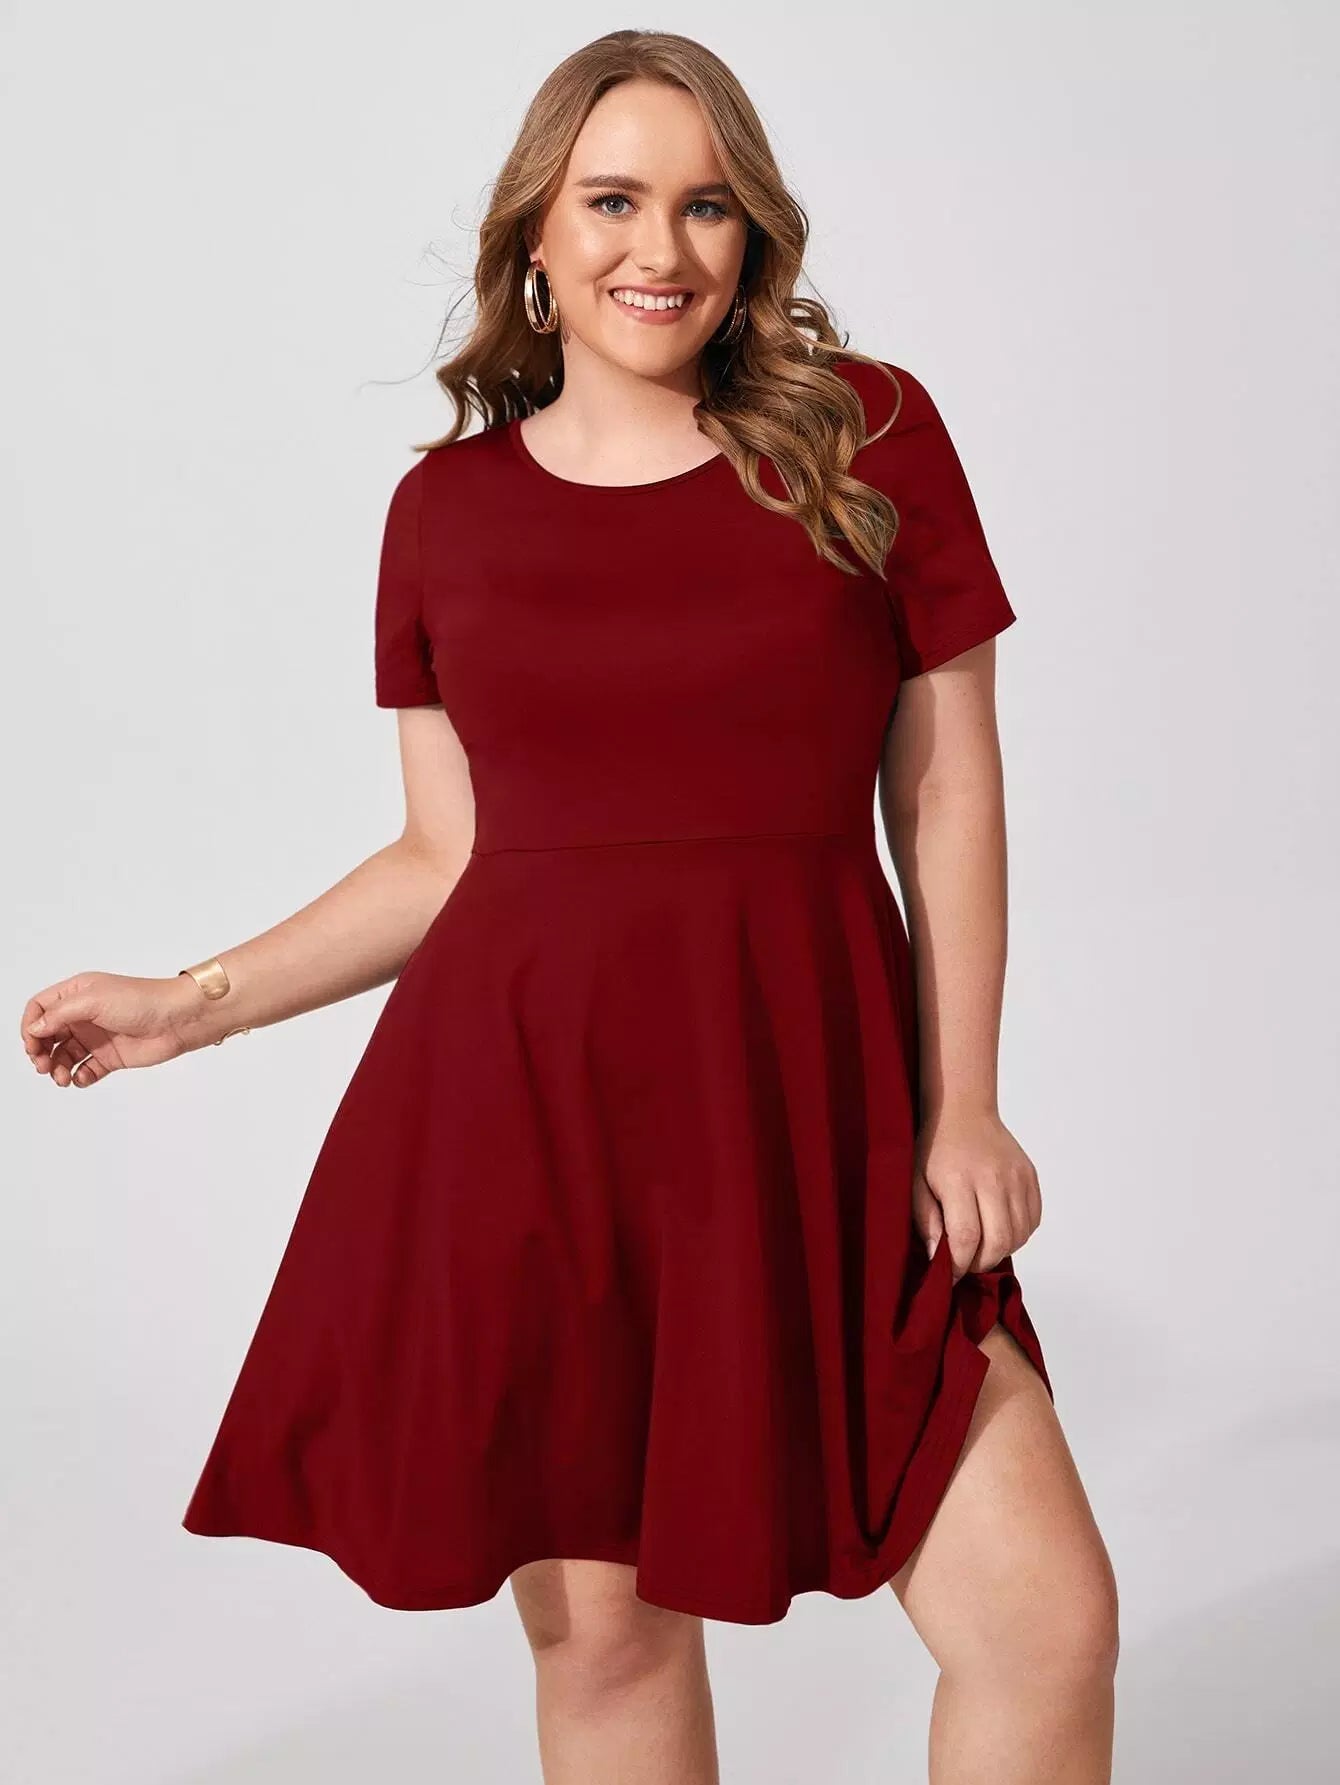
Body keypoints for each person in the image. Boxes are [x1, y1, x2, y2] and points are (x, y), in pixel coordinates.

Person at [19, 28, 1118, 1785]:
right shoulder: (443, 513)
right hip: (535, 1136)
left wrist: (963, 1101)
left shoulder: (869, 439)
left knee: (1043, 1621)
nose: (658, 249)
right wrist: (187, 999)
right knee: (608, 1643)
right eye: (612, 201)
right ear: (535, 231)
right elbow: (443, 856)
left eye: (705, 207)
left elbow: (947, 790)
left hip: (815, 1116)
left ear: (754, 235)